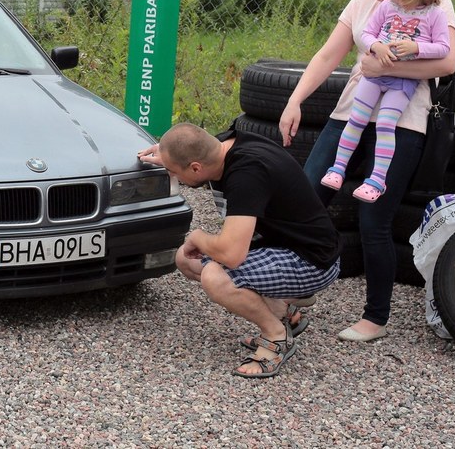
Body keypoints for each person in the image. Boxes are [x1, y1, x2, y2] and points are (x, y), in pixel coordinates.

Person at [279, 0, 455, 343]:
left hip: (403, 120)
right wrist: (294, 101)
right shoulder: (363, 6)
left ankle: (375, 317)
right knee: (305, 198)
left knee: (374, 218)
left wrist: (378, 70)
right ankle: (294, 290)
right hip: (351, 113)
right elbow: (328, 55)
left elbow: (445, 62)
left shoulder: (436, 2)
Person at [139, 123, 340, 379]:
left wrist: (199, 236)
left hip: (312, 261)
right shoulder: (226, 145)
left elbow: (232, 255)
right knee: (186, 260)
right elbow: (195, 142)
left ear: (196, 167)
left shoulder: (247, 175)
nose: (173, 176)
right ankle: (286, 316)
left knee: (216, 275)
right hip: (285, 244)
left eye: (173, 171)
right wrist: (168, 151)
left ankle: (276, 337)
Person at [320, 0, 450, 203]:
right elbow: (368, 34)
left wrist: (417, 48)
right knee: (356, 119)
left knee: (385, 125)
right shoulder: (387, 7)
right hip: (372, 78)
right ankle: (337, 169)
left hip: (403, 83)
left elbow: (443, 49)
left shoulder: (435, 14)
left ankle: (376, 180)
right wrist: (376, 46)